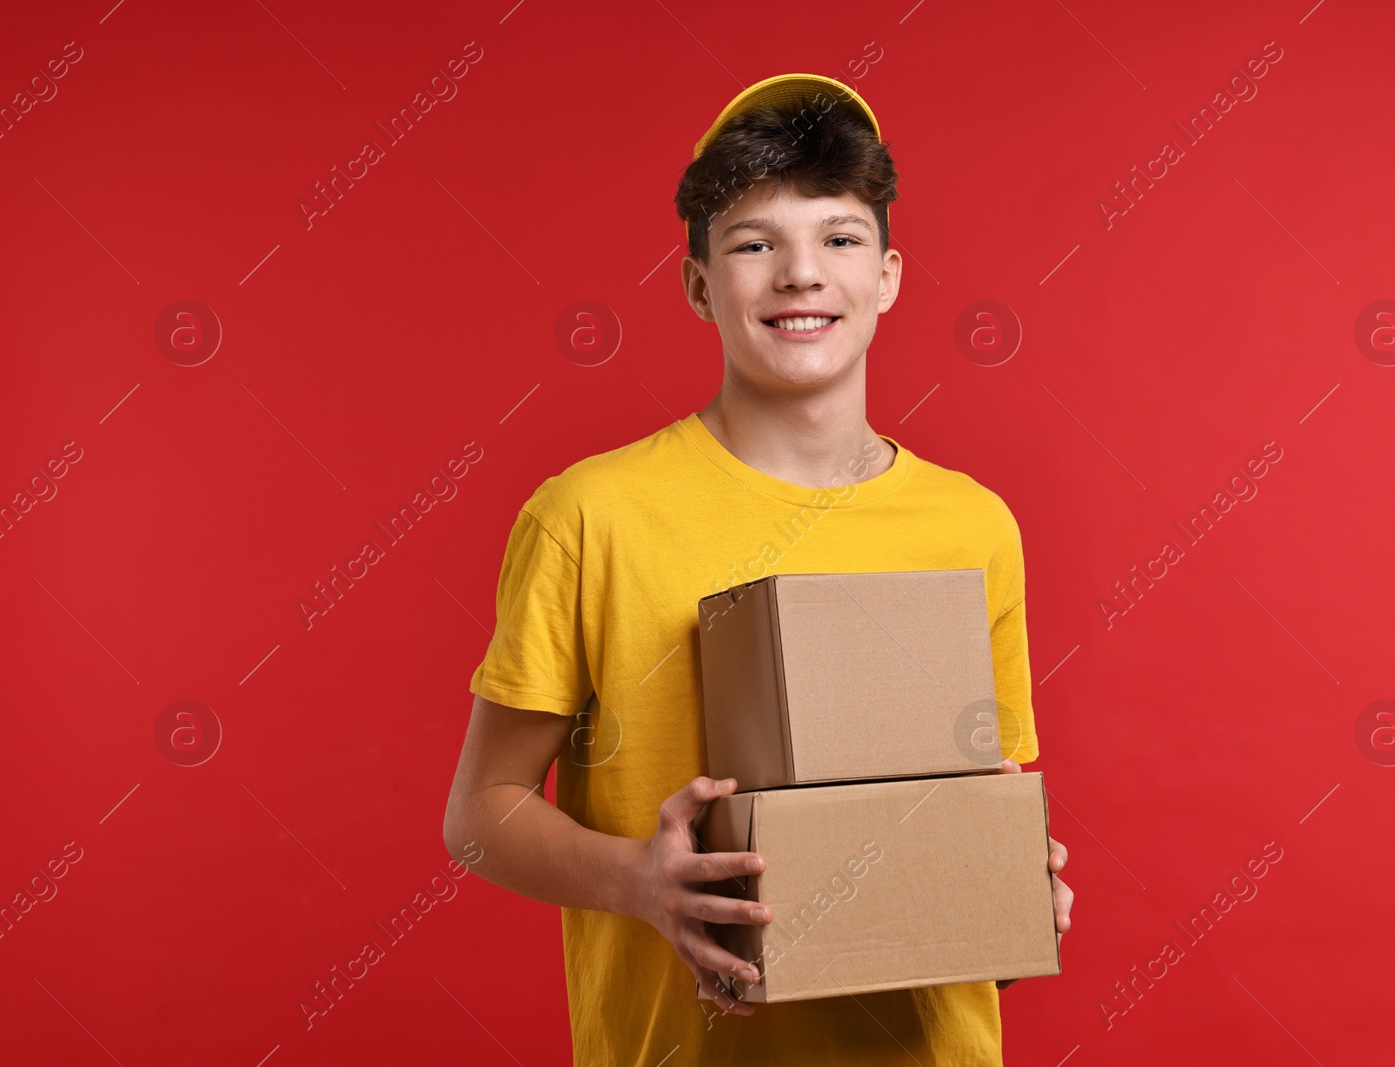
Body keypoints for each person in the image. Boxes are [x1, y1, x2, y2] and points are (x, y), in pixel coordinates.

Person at [443, 72, 1073, 1065]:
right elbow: (479, 816)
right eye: (753, 243)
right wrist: (638, 881)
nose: (799, 274)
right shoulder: (589, 515)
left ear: (888, 275)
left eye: (837, 237)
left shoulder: (972, 523)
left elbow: (969, 810)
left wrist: (1000, 889)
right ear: (699, 285)